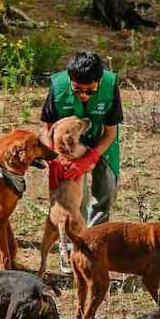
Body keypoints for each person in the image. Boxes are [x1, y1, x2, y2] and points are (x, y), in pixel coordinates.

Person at [40, 51, 122, 272]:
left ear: (99, 81)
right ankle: (69, 249)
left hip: (101, 144)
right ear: (70, 81)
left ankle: (95, 245)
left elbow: (110, 133)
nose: (84, 95)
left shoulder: (110, 85)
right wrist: (54, 159)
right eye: (78, 90)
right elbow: (47, 129)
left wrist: (91, 158)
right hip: (67, 149)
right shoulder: (58, 86)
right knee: (74, 202)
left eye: (90, 91)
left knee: (104, 193)